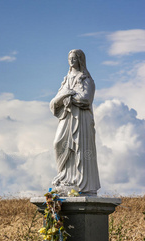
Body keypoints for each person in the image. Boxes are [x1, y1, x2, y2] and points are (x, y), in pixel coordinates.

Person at [50, 49, 100, 195]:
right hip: (67, 117)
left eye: (74, 58)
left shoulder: (86, 79)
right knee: (58, 143)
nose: (71, 61)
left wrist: (69, 97)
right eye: (69, 58)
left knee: (81, 149)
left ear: (80, 60)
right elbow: (53, 103)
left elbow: (85, 99)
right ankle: (65, 177)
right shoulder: (66, 80)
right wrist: (66, 94)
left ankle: (78, 181)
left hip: (81, 120)